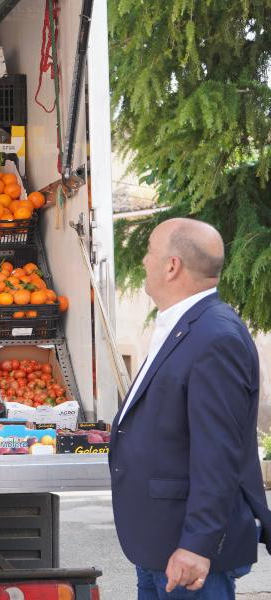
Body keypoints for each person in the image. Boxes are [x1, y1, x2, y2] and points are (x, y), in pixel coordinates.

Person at [109, 218, 271, 600]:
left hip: (188, 554)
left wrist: (198, 545)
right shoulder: (186, 325)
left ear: (172, 266)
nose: (143, 261)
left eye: (149, 251)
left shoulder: (215, 337)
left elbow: (218, 453)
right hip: (158, 542)